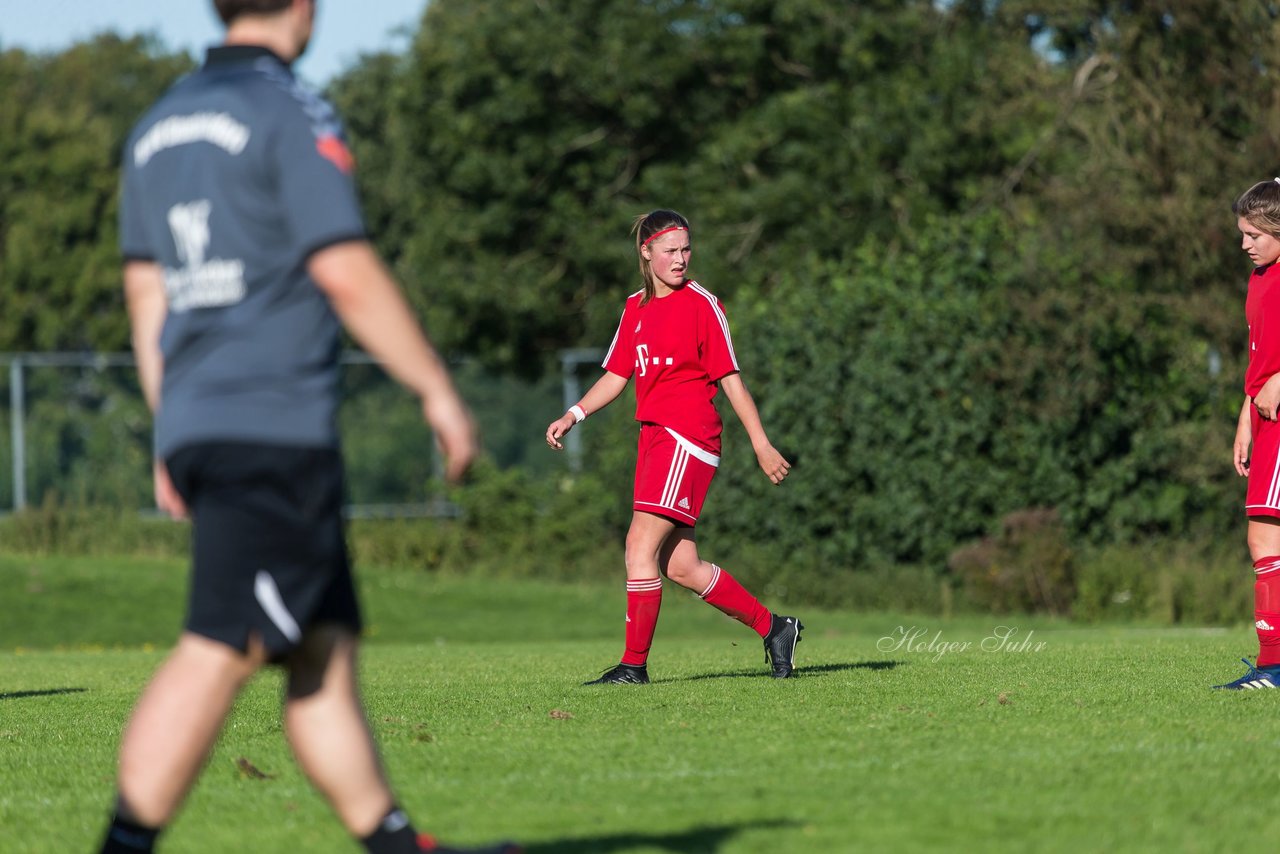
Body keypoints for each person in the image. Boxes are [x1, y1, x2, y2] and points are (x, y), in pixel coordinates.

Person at [101, 2, 518, 852]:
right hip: (273, 425)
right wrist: (434, 386)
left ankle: (400, 847)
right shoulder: (290, 108)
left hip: (204, 416)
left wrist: (168, 425)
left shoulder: (157, 124)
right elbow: (343, 264)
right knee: (223, 644)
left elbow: (147, 293)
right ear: (301, 6)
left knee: (320, 653)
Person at [545, 209, 803, 684]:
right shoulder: (634, 308)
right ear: (646, 253)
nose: (681, 259)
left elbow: (731, 381)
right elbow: (617, 375)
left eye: (686, 249)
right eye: (670, 250)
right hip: (654, 439)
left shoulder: (703, 303)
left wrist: (762, 445)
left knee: (637, 546)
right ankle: (776, 628)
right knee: (681, 565)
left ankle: (633, 667)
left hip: (688, 437)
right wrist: (573, 414)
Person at [1218, 178, 1280, 690]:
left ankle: (1273, 666)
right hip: (1265, 423)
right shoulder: (1261, 277)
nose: (1245, 244)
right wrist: (1245, 416)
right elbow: (1260, 358)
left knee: (1265, 538)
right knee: (1262, 538)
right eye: (1242, 233)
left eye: (1254, 234)